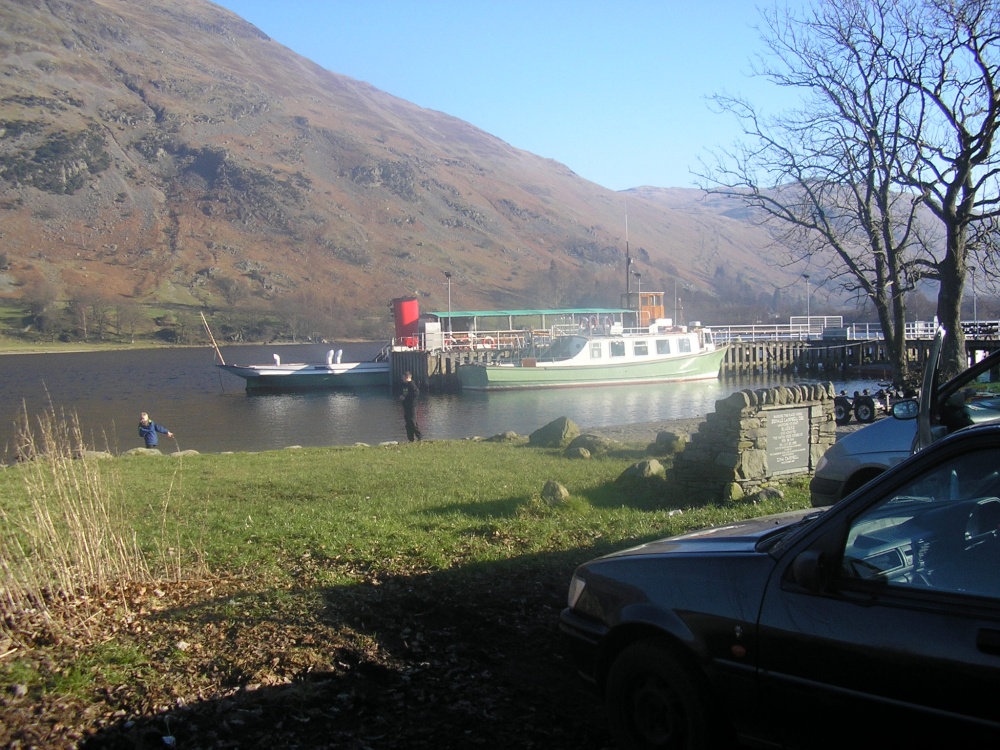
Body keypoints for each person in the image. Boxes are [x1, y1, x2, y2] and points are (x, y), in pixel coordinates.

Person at [400, 371, 422, 442]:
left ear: (407, 377)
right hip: (406, 406)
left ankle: (419, 437)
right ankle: (410, 439)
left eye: (403, 377)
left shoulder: (412, 385)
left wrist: (405, 397)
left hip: (412, 406)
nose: (402, 379)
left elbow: (415, 394)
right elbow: (403, 393)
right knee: (408, 423)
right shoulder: (404, 385)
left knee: (412, 422)